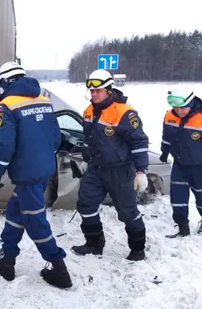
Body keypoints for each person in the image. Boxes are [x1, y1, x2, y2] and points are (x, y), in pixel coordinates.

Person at [0, 61, 72, 289]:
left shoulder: (7, 106)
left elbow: (5, 146)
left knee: (35, 220)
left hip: (27, 173)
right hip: (44, 169)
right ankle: (8, 260)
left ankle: (59, 268)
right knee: (15, 212)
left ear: (5, 82)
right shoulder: (43, 100)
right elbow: (55, 138)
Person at [71, 69, 149, 261]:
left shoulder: (124, 113)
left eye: (97, 90)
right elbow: (89, 139)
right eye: (91, 91)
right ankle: (94, 244)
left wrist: (141, 171)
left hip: (120, 171)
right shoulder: (89, 111)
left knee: (127, 212)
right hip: (96, 169)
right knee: (86, 205)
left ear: (108, 89)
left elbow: (139, 142)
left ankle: (138, 249)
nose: (93, 94)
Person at [160, 88, 202, 238]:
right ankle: (183, 227)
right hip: (179, 164)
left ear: (191, 102)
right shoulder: (169, 116)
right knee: (177, 198)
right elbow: (166, 136)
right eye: (176, 107)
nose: (178, 111)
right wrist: (164, 151)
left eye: (182, 107)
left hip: (199, 166)